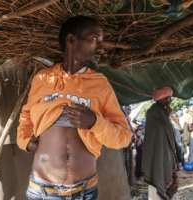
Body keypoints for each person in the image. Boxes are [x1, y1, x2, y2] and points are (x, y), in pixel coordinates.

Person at [16, 16, 132, 200]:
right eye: (94, 39)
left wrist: (95, 122)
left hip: (84, 191)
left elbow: (124, 138)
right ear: (71, 40)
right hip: (42, 192)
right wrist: (26, 141)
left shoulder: (100, 84)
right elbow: (26, 115)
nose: (100, 48)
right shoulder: (43, 79)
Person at [142, 87, 179, 200]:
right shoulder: (154, 112)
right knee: (157, 188)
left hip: (166, 155)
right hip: (158, 156)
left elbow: (168, 135)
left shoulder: (161, 111)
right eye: (168, 98)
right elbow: (158, 137)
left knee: (166, 182)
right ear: (161, 99)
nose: (170, 100)